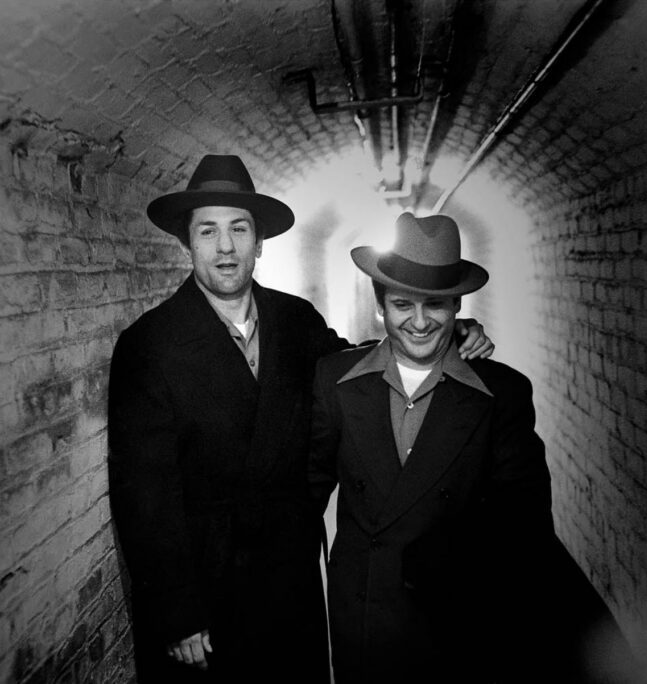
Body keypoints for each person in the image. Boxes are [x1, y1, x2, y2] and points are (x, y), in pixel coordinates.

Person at [107, 156, 493, 683]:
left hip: (289, 581)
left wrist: (446, 333)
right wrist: (178, 613)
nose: (226, 247)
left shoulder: (296, 320)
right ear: (187, 243)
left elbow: (358, 367)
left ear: (260, 241)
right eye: (209, 231)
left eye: (239, 229)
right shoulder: (148, 344)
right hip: (207, 601)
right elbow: (142, 493)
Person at [309, 212, 557, 683]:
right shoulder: (336, 382)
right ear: (380, 305)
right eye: (403, 304)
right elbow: (300, 501)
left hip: (458, 628)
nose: (420, 322)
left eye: (436, 306)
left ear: (458, 304)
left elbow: (526, 531)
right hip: (364, 621)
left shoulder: (501, 394)